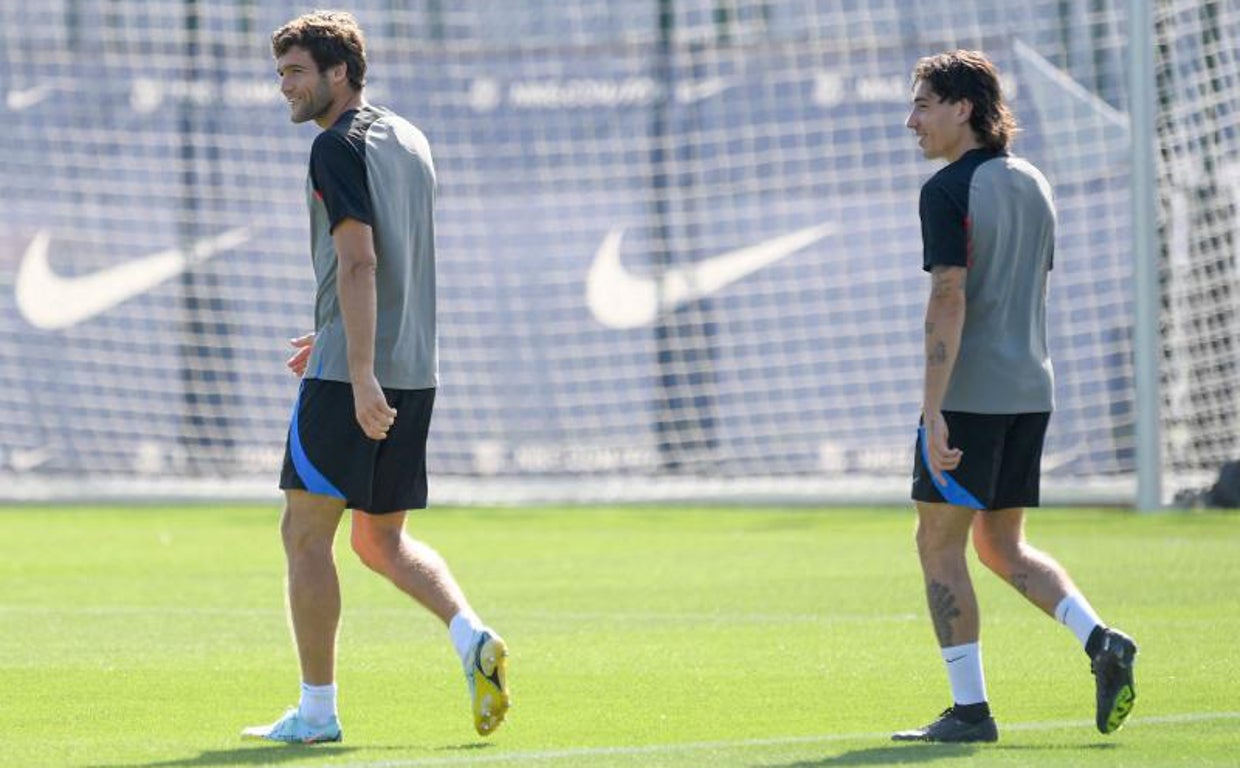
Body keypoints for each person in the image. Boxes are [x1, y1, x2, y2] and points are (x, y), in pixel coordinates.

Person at [242, 10, 509, 744]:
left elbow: (361, 260)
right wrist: (338, 334)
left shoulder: (336, 147)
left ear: (340, 73)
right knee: (379, 543)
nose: (286, 88)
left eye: (297, 73)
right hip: (415, 369)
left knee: (304, 535)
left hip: (355, 379)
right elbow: (388, 260)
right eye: (281, 74)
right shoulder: (411, 138)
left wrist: (356, 372)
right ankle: (472, 637)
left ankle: (318, 714)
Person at [892, 49, 1136, 744]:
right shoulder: (1033, 181)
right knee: (1001, 547)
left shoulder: (946, 190)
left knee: (938, 547)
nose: (912, 121)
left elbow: (949, 295)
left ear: (963, 108)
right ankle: (1102, 642)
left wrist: (933, 410)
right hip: (1032, 388)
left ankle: (970, 713)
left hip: (971, 396)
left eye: (923, 104)